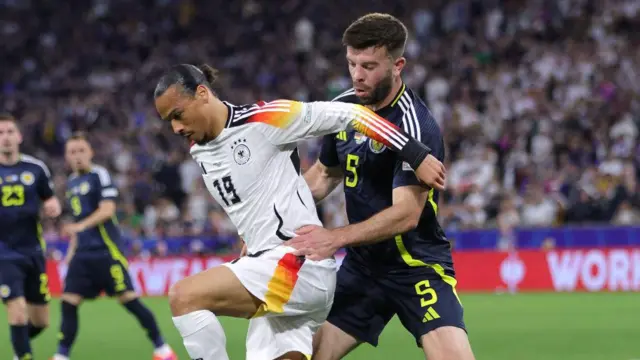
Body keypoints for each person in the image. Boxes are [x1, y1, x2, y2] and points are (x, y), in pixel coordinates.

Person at [153, 63, 446, 360]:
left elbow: (353, 115)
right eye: (169, 121)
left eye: (178, 115)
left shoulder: (264, 119)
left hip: (298, 265)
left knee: (185, 296)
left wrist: (415, 153)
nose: (176, 128)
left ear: (202, 94)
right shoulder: (199, 148)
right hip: (269, 268)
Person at [286, 13, 475, 360]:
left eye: (369, 66)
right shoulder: (343, 107)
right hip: (362, 268)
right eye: (352, 63)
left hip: (416, 266)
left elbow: (406, 215)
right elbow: (325, 175)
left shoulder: (416, 127)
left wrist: (334, 238)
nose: (358, 75)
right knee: (302, 355)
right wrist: (274, 211)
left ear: (397, 65)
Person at [50, 133, 177, 360]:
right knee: (68, 301)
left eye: (81, 150)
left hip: (106, 252)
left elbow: (107, 210)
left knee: (128, 300)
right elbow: (79, 222)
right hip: (82, 255)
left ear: (91, 152)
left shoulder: (99, 175)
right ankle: (61, 355)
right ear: (67, 156)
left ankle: (163, 348)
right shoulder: (71, 183)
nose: (77, 156)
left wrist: (79, 227)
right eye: (72, 152)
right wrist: (71, 252)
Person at [0, 113, 61, 360]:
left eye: (10, 132)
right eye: (1, 133)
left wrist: (53, 207)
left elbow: (51, 199)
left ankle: (18, 349)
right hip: (4, 253)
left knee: (41, 321)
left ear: (19, 136)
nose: (5, 138)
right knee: (17, 311)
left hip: (33, 251)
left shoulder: (36, 168)